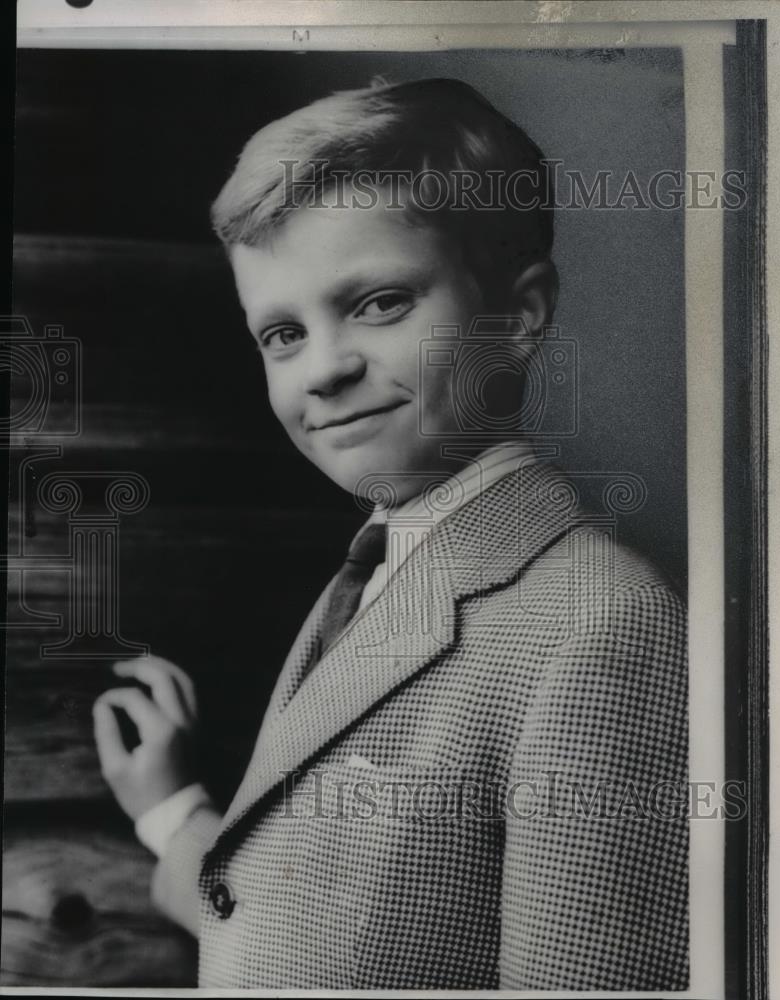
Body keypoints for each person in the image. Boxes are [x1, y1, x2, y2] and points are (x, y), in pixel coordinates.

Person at [93, 77, 688, 990]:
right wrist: (173, 814)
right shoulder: (381, 575)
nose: (324, 369)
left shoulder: (601, 630)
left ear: (520, 314)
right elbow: (286, 914)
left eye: (378, 303)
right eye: (282, 334)